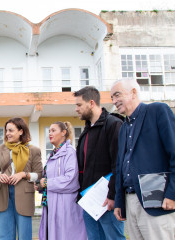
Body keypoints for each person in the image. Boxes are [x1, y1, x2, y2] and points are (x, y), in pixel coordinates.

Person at [111, 79, 175, 239]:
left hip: (157, 200)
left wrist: (173, 194)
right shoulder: (124, 127)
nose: (114, 101)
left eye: (117, 95)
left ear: (133, 92)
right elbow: (120, 166)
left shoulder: (158, 110)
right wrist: (119, 201)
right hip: (130, 200)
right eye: (112, 97)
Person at [74, 86, 125, 240]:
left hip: (107, 201)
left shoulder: (113, 124)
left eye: (79, 105)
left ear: (91, 103)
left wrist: (113, 195)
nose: (76, 109)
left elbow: (119, 164)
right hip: (89, 201)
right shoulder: (86, 131)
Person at [0, 117, 43, 240]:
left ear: (21, 131)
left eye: (11, 130)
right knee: (4, 233)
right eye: (6, 130)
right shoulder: (1, 149)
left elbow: (39, 174)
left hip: (24, 194)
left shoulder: (33, 150)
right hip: (4, 193)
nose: (7, 133)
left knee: (24, 234)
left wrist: (23, 174)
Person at [36, 121, 87, 240]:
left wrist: (47, 183)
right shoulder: (52, 154)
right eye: (49, 131)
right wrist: (41, 186)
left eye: (53, 130)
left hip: (65, 205)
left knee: (66, 235)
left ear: (63, 133)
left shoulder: (69, 152)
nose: (50, 133)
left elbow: (71, 179)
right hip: (51, 203)